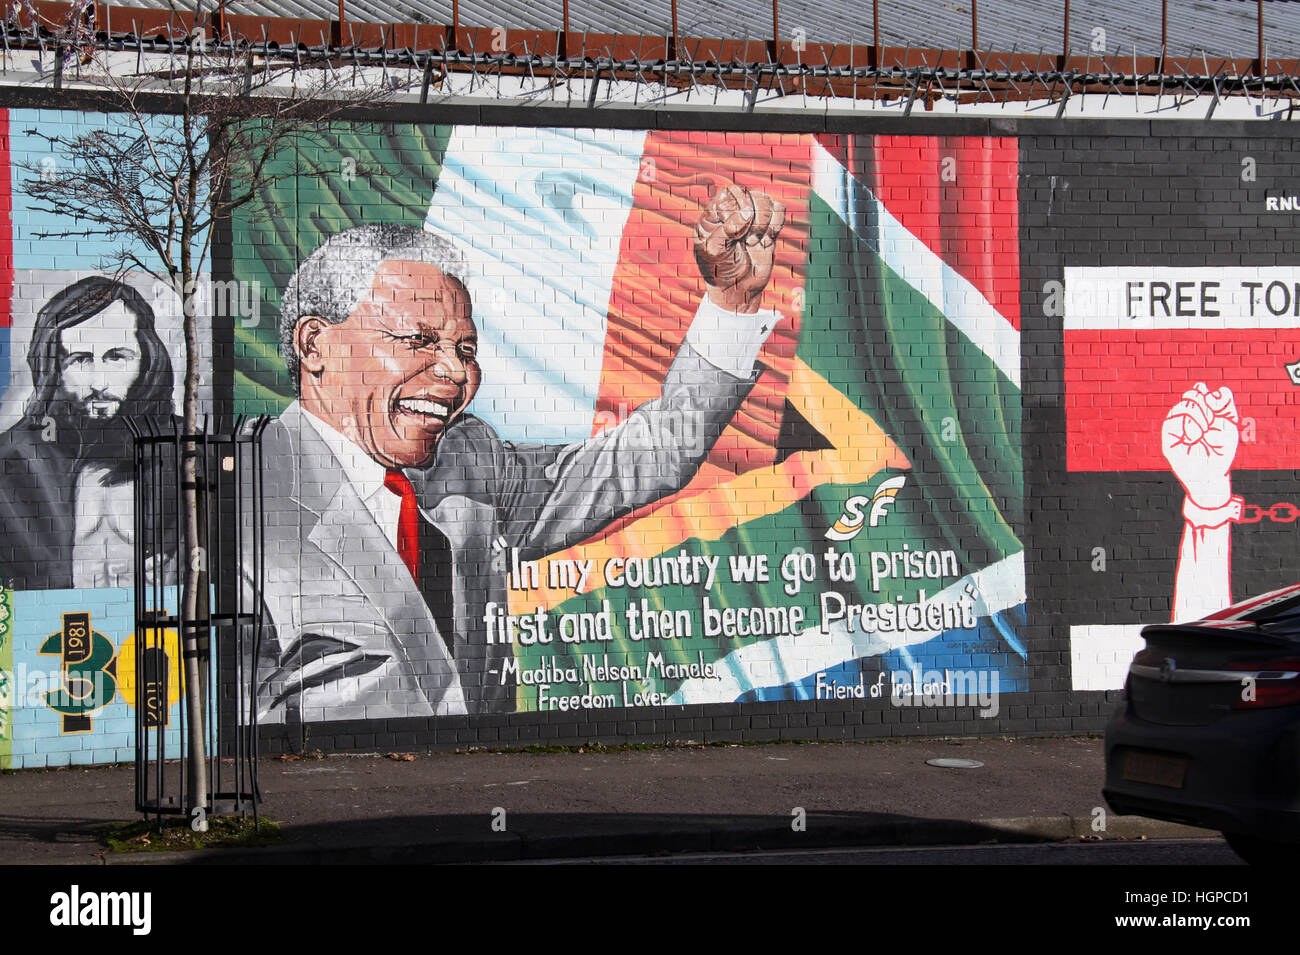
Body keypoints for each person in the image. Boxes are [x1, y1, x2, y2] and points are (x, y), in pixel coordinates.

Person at [251, 185, 786, 722]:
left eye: (465, 350)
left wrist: (731, 303)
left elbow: (651, 456)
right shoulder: (238, 488)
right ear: (315, 345)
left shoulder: (470, 463)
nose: (456, 373)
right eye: (418, 341)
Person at [0, 277, 176, 590]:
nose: (99, 382)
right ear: (54, 367)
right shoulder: (13, 461)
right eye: (80, 359)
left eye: (117, 357)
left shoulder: (183, 451)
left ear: (147, 359)